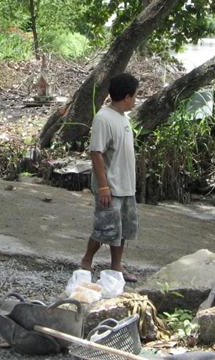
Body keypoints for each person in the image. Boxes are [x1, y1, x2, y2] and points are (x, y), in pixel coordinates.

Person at [80, 72, 140, 283]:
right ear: (127, 96)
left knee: (122, 229)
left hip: (126, 184)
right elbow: (96, 153)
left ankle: (116, 266)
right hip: (111, 185)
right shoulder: (103, 118)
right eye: (135, 95)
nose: (136, 100)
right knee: (105, 228)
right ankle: (86, 260)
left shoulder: (123, 118)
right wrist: (104, 187)